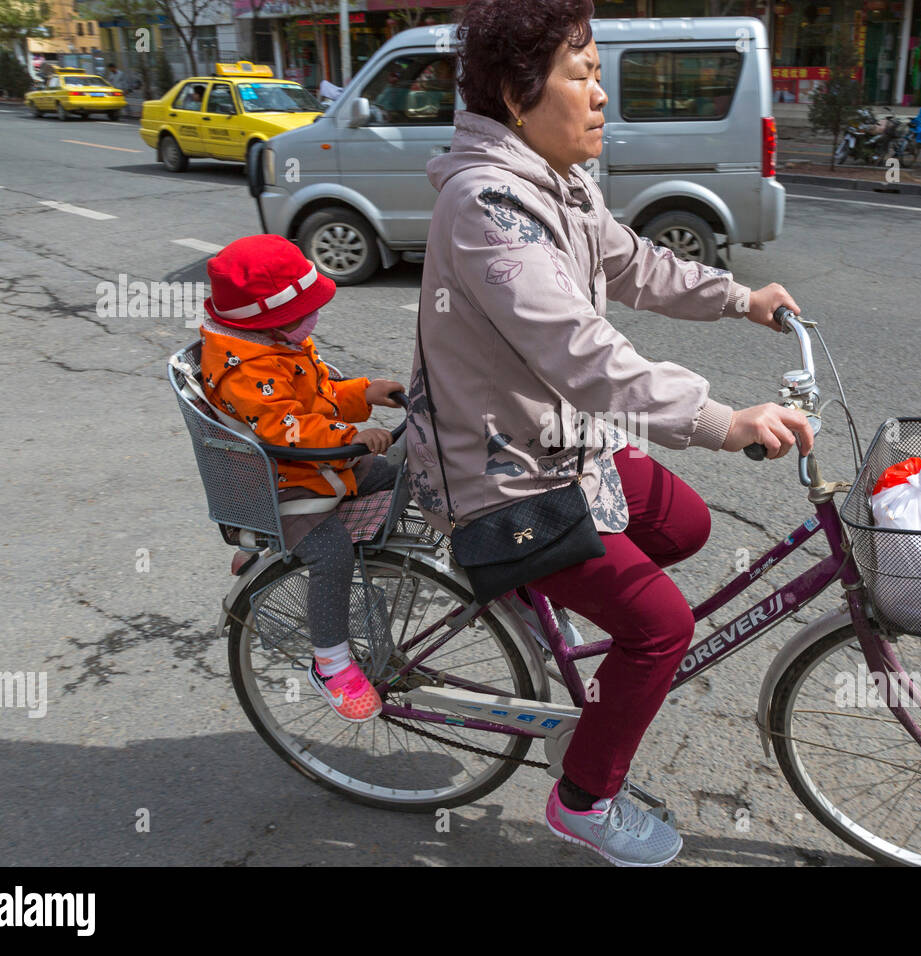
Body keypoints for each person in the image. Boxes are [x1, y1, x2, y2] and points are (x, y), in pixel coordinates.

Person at [406, 0, 813, 867]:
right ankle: (584, 798)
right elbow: (579, 351)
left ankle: (550, 606)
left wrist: (742, 299)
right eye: (582, 76)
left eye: (598, 76)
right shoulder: (489, 207)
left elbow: (633, 263)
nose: (601, 98)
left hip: (562, 441)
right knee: (660, 627)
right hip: (503, 476)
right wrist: (721, 420)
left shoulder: (559, 179)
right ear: (520, 95)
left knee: (687, 525)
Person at [200, 235, 407, 723]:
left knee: (407, 471)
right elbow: (286, 427)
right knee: (330, 553)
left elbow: (319, 393)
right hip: (284, 485)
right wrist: (352, 435)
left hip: (320, 466)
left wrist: (366, 391)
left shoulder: (277, 342)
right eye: (301, 315)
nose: (312, 321)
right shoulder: (246, 369)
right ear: (267, 319)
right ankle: (331, 664)